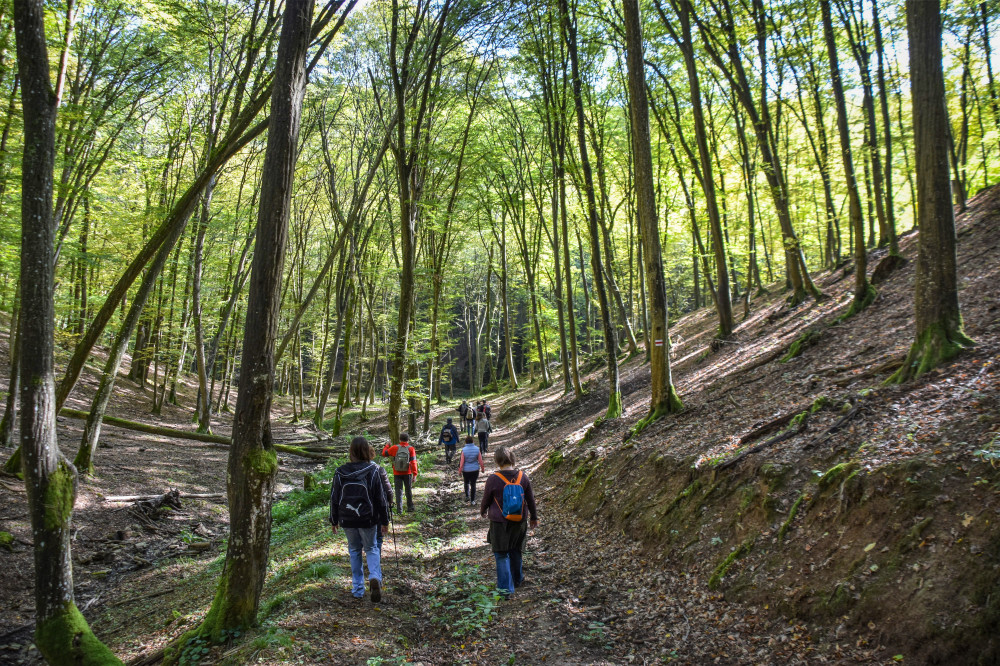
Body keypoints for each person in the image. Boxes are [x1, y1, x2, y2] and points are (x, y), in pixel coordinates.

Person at [330, 436, 391, 602]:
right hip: (368, 518)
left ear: (351, 452)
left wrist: (333, 520)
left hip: (347, 518)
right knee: (371, 548)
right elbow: (380, 499)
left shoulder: (340, 472)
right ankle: (375, 577)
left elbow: (334, 498)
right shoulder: (372, 471)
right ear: (366, 450)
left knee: (354, 550)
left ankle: (357, 589)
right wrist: (385, 521)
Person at [480, 446, 538, 598]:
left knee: (501, 554)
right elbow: (530, 499)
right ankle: (517, 579)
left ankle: (506, 590)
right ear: (512, 459)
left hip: (499, 522)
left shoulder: (493, 479)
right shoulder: (523, 477)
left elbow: (486, 498)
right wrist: (534, 517)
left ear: (497, 461)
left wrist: (483, 510)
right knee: (516, 550)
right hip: (520, 520)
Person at [381, 433, 418, 513]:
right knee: (408, 490)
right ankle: (410, 507)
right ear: (408, 440)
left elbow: (384, 454)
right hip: (407, 472)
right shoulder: (411, 449)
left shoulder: (394, 448)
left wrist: (387, 445)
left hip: (397, 472)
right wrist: (414, 474)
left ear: (400, 439)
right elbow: (413, 462)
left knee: (398, 490)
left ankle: (399, 510)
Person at [458, 435, 484, 504]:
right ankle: (472, 500)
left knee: (466, 482)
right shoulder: (477, 449)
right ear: (472, 441)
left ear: (466, 442)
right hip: (475, 470)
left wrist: (460, 471)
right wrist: (482, 468)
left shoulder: (463, 450)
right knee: (473, 484)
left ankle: (467, 496)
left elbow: (462, 462)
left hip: (466, 470)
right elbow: (480, 460)